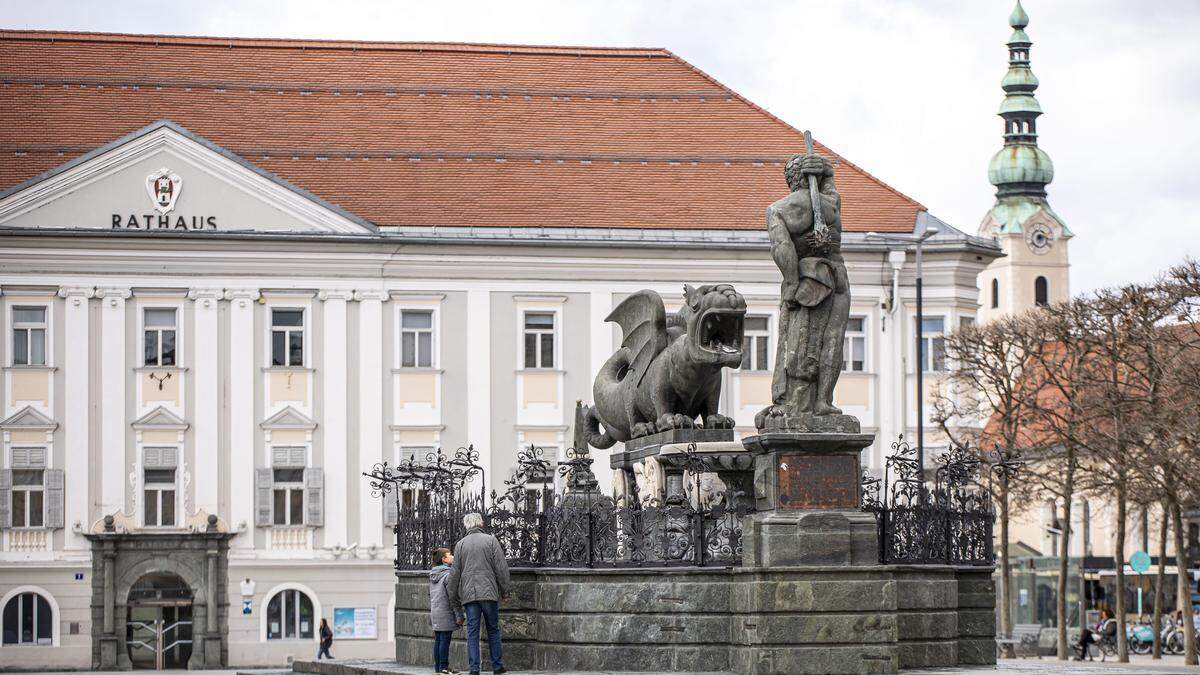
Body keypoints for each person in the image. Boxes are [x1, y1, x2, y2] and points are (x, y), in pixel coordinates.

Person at [447, 512, 510, 675]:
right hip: (489, 593)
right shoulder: (491, 541)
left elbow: (455, 574)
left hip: (469, 595)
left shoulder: (460, 545)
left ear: (466, 525)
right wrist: (505, 591)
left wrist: (453, 597)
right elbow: (501, 568)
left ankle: (474, 669)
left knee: (472, 632)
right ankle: (497, 666)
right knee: (493, 629)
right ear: (481, 524)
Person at [430, 547, 464, 675]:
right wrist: (459, 615)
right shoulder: (448, 575)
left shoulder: (433, 574)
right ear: (444, 559)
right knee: (444, 640)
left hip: (436, 612)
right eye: (450, 555)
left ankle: (438, 668)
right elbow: (453, 597)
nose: (453, 557)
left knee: (438, 640)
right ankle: (444, 668)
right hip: (446, 612)